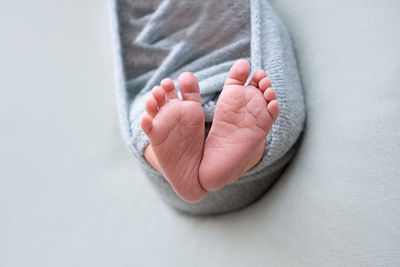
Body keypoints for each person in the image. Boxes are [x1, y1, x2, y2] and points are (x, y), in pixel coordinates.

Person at [140, 59, 280, 202]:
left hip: (174, 193)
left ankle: (170, 167)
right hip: (256, 181)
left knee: (144, 114)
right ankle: (248, 160)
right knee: (271, 90)